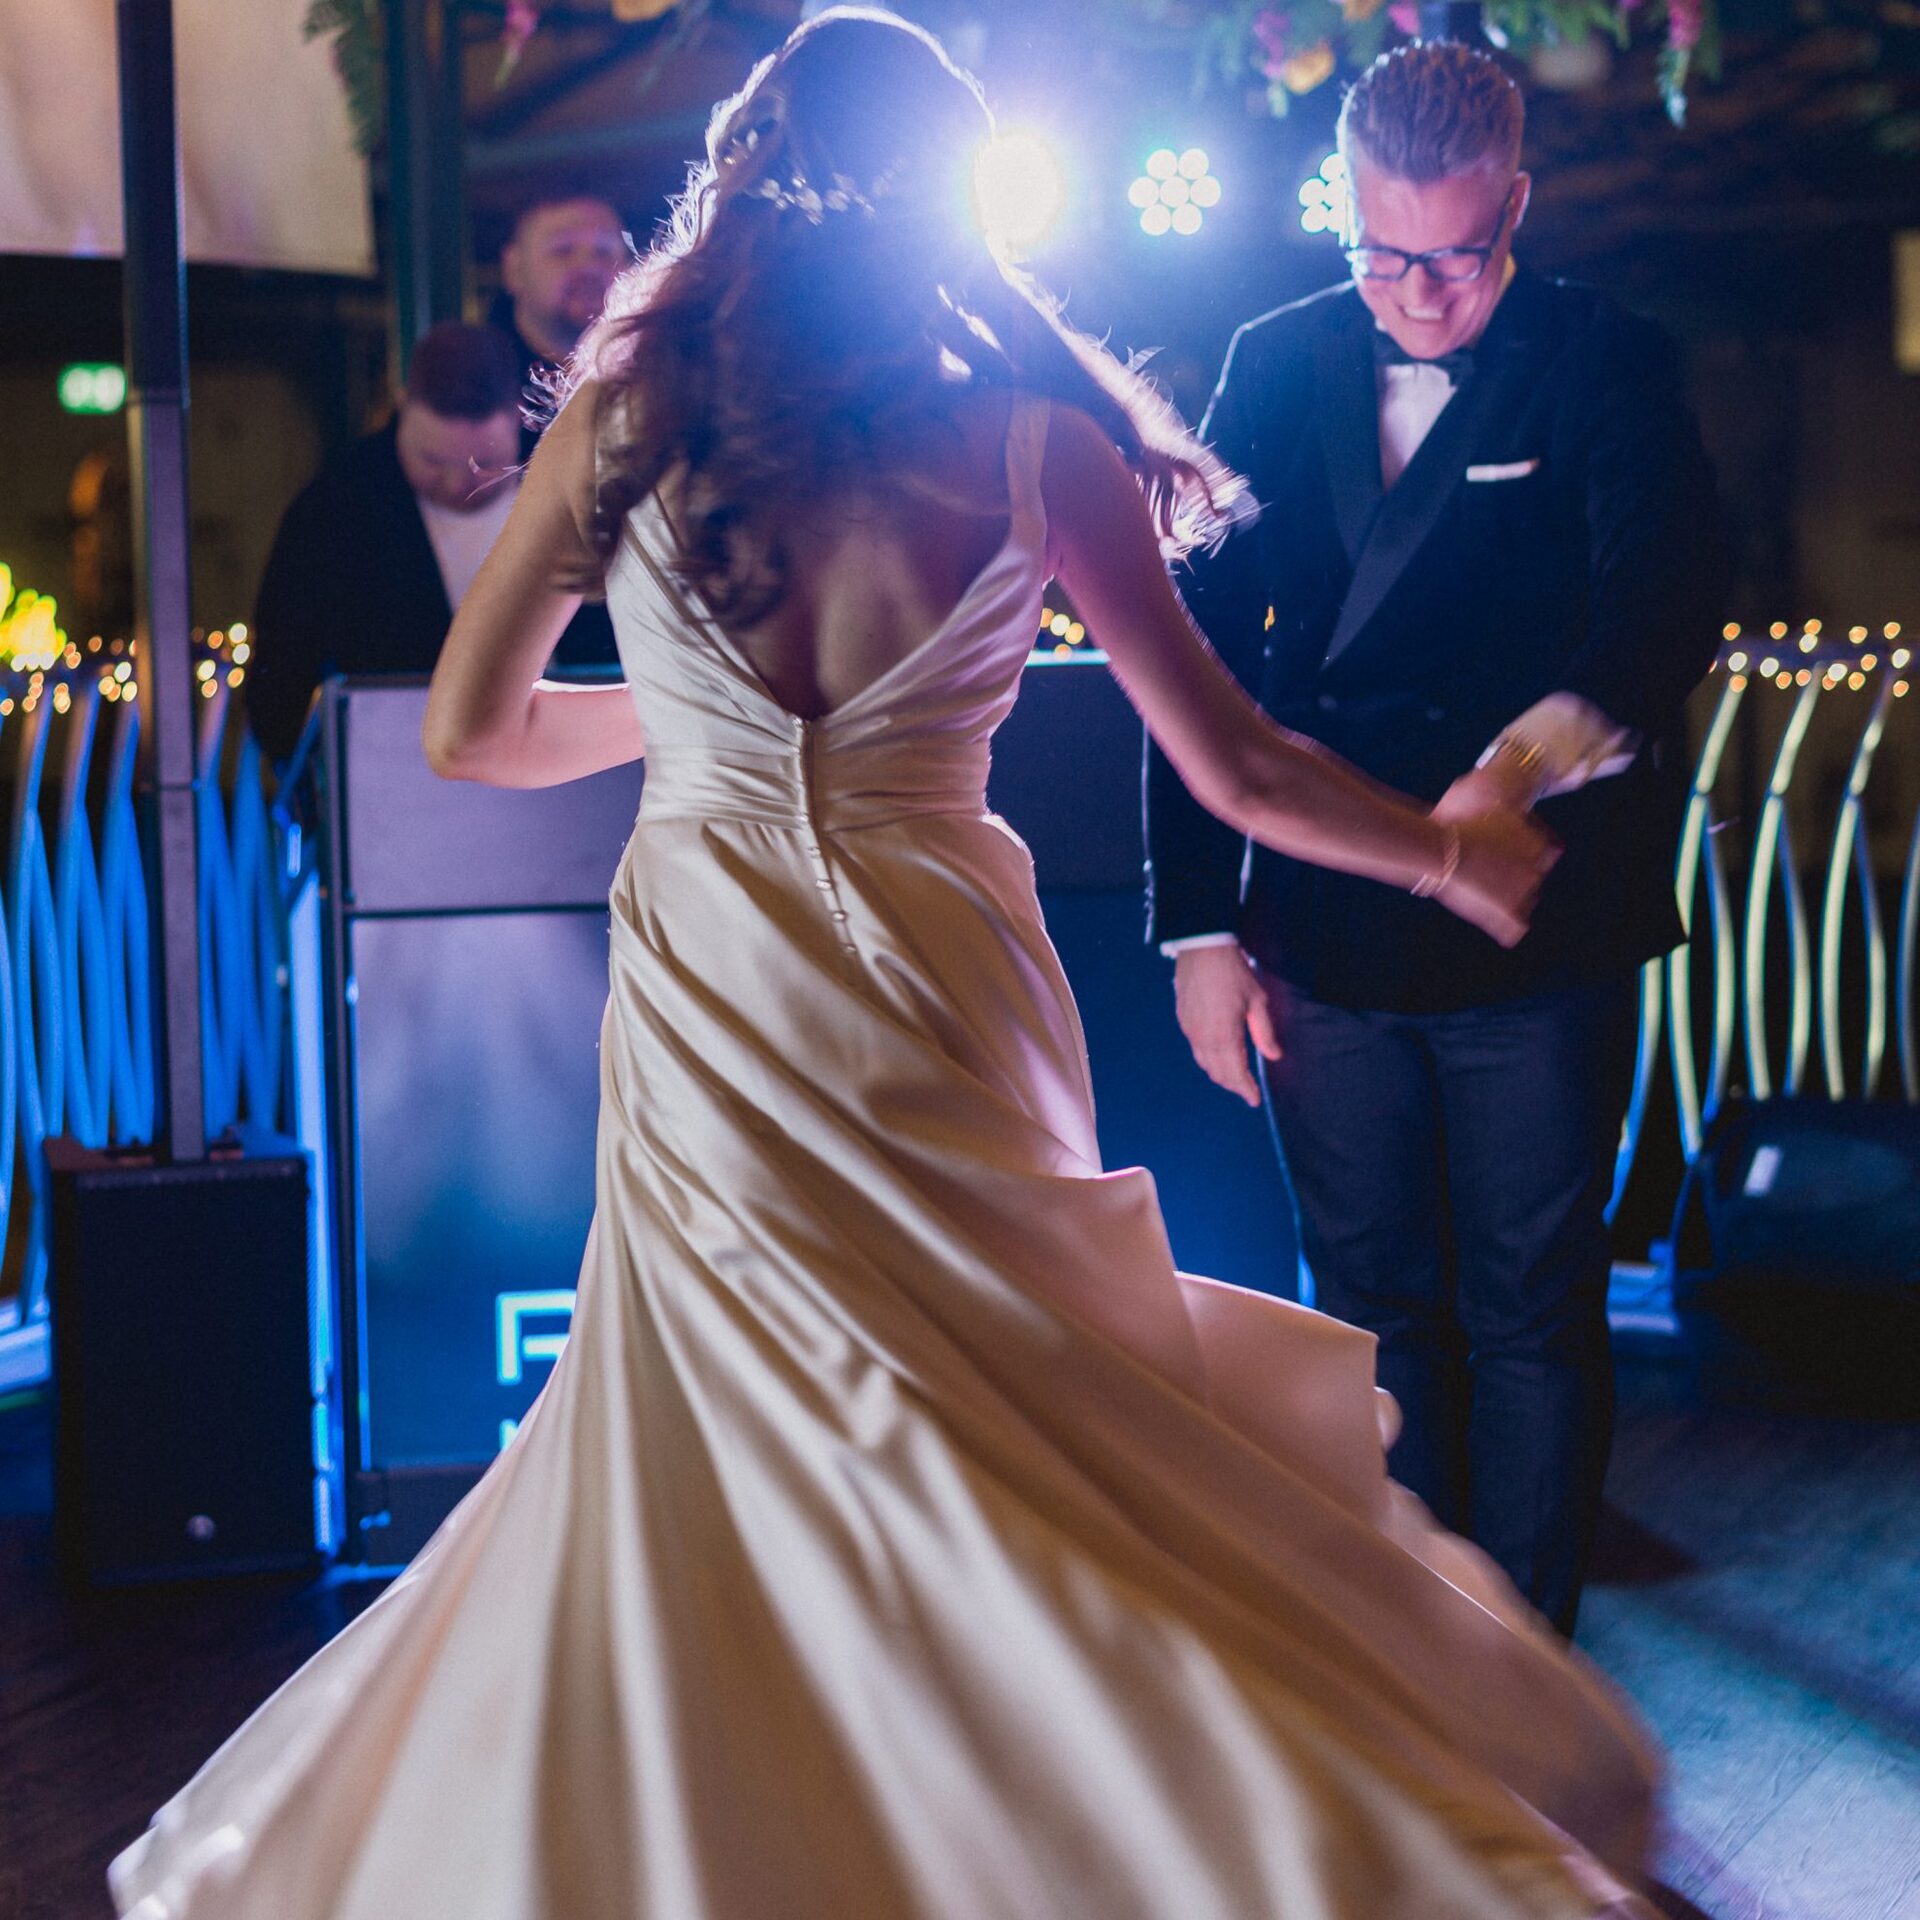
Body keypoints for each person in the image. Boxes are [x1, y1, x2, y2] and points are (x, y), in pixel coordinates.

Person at [113, 16, 1661, 1918]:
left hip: (719, 969)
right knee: (1002, 1399)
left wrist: (696, 726)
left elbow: (467, 736)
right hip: (939, 957)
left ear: (750, 174)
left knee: (731, 1407)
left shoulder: (624, 419)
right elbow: (1240, 764)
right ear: (952, 194)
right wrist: (1444, 846)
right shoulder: (1036, 438)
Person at [1147, 42, 1729, 1637]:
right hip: (1321, 920)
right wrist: (1199, 931)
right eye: (1379, 254)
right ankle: (1409, 1663)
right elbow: (1184, 658)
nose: (1414, 295)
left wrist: (1515, 772)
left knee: (1534, 1307)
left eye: (1454, 258)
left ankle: (1525, 1674)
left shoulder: (1605, 357)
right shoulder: (1273, 360)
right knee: (1367, 1305)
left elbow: (1665, 604)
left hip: (1529, 914)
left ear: (1517, 207)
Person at [246, 321, 612, 765]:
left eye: (485, 464)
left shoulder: (576, 483)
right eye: (433, 461)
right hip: (393, 769)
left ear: (520, 423)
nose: (458, 483)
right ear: (401, 407)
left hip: (569, 758)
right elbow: (281, 675)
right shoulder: (336, 510)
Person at [487, 191, 629, 456]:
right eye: (563, 251)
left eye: (604, 251)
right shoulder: (473, 379)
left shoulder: (656, 375)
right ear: (514, 268)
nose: (588, 267)